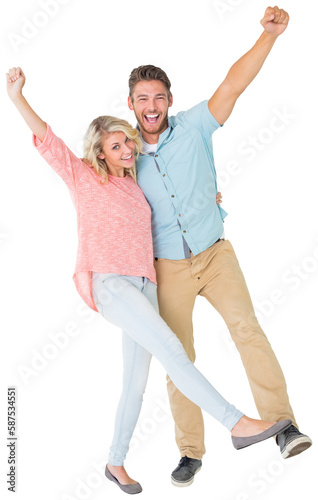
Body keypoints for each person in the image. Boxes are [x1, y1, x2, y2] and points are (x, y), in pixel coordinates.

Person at [6, 67, 292, 495]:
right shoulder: (86, 180)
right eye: (115, 145)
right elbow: (50, 143)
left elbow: (176, 194)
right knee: (175, 351)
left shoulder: (136, 184)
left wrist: (207, 198)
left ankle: (115, 462)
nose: (125, 149)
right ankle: (236, 423)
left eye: (126, 142)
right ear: (99, 153)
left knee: (135, 385)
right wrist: (16, 97)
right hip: (113, 286)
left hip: (147, 285)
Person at [126, 5, 312, 487]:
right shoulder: (123, 155)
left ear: (170, 100)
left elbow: (234, 83)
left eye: (159, 97)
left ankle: (282, 425)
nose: (152, 105)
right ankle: (191, 451)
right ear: (130, 104)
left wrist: (268, 37)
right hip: (167, 268)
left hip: (216, 254)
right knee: (178, 359)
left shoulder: (193, 127)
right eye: (142, 98)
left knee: (247, 329)